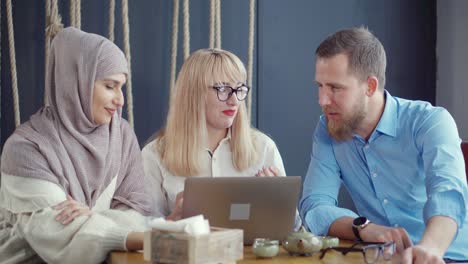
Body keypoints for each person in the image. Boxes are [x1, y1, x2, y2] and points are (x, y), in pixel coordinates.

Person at [299, 27, 468, 263]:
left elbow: (448, 193)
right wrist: (363, 227)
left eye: (335, 88)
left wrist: (429, 249)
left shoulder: (430, 121)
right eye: (320, 86)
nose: (323, 101)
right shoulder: (328, 127)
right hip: (381, 258)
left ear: (369, 86)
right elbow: (315, 207)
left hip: (447, 257)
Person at [0, 27, 154, 263]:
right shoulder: (25, 149)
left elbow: (140, 214)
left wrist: (92, 216)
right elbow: (62, 236)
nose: (120, 100)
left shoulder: (121, 135)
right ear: (77, 82)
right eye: (110, 86)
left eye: (121, 87)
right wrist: (137, 234)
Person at [142, 48, 290, 222]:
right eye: (222, 89)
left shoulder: (264, 147)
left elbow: (294, 229)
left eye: (239, 89)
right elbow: (143, 230)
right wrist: (171, 221)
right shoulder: (154, 154)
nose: (234, 100)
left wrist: (281, 199)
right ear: (193, 94)